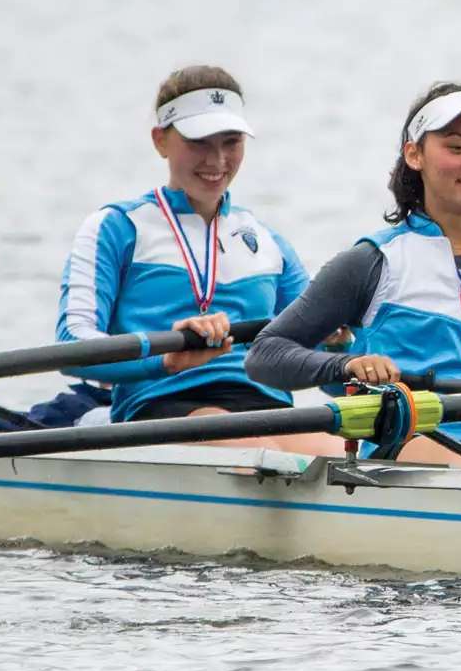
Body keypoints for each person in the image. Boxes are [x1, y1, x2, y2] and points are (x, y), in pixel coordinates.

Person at [245, 83, 461, 472]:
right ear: (414, 154)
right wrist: (346, 365)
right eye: (457, 148)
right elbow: (264, 355)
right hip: (411, 438)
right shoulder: (370, 262)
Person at [56, 64, 343, 456]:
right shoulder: (116, 228)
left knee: (348, 457)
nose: (218, 160)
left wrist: (341, 345)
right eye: (200, 142)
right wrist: (166, 359)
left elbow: (326, 377)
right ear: (160, 141)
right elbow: (73, 346)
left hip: (267, 408)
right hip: (161, 405)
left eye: (231, 142)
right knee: (260, 456)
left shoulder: (267, 242)